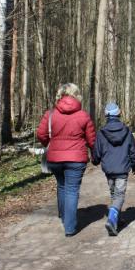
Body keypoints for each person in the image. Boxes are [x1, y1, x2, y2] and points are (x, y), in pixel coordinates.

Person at [37, 83, 96, 237]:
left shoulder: (50, 114)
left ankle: (64, 216)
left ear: (60, 95)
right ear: (76, 95)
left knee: (62, 186)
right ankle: (69, 227)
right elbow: (91, 139)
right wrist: (95, 152)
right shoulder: (83, 115)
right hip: (76, 159)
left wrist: (51, 145)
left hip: (55, 159)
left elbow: (41, 134)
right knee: (71, 190)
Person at [92, 102, 135, 236]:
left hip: (108, 169)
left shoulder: (101, 133)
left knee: (114, 193)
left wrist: (95, 161)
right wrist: (134, 165)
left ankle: (117, 218)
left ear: (106, 115)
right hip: (122, 168)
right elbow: (132, 152)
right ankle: (112, 219)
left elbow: (97, 152)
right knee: (119, 195)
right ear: (119, 114)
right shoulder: (127, 131)